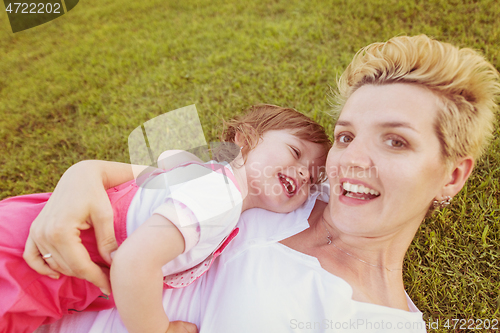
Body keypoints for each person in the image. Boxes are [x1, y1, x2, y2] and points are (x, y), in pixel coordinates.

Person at [29, 34, 499, 333]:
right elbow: (146, 180)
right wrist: (81, 175)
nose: (351, 160)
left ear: (452, 175)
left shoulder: (380, 323)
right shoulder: (276, 192)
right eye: (345, 136)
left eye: (395, 142)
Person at [0, 104, 331, 333]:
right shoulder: (220, 197)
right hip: (30, 267)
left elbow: (123, 183)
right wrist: (158, 328)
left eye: (314, 178)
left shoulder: (201, 175)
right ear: (243, 141)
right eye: (295, 152)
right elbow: (133, 262)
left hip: (29, 232)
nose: (304, 173)